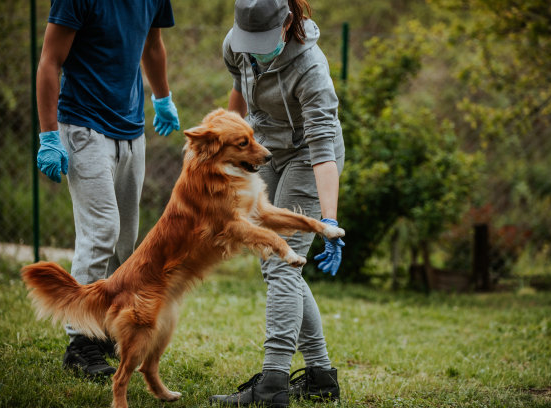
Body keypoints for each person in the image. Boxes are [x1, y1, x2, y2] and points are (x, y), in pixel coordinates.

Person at [210, 0, 345, 406]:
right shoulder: (236, 46)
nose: (252, 50)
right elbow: (239, 97)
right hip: (265, 149)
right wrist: (229, 152)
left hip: (308, 157)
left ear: (287, 23)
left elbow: (323, 148)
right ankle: (320, 376)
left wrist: (328, 220)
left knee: (280, 261)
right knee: (279, 264)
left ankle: (273, 384)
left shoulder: (312, 70)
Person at [36, 0, 180, 378]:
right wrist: (49, 135)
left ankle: (107, 332)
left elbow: (152, 45)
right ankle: (80, 343)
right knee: (101, 232)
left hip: (131, 130)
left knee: (126, 243)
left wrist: (162, 97)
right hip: (83, 125)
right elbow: (50, 60)